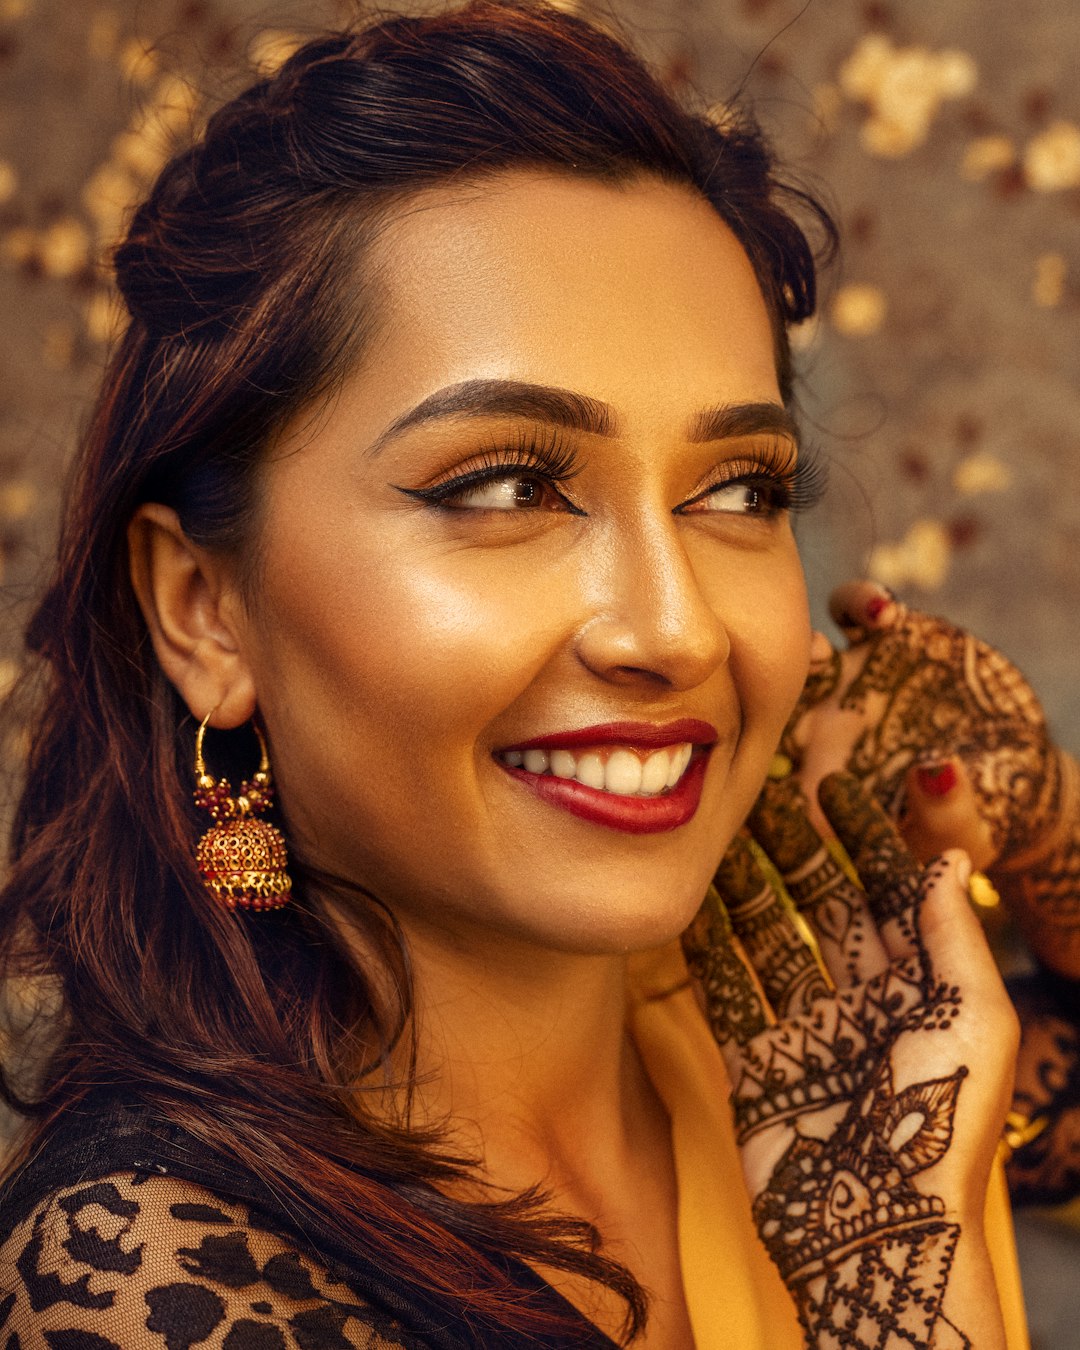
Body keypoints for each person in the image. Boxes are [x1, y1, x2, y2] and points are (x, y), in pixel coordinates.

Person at [0, 2, 1030, 1345]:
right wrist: (899, 1294)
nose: (676, 632)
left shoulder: (803, 1050)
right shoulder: (151, 1276)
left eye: (738, 486)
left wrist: (1038, 819)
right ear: (205, 610)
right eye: (507, 484)